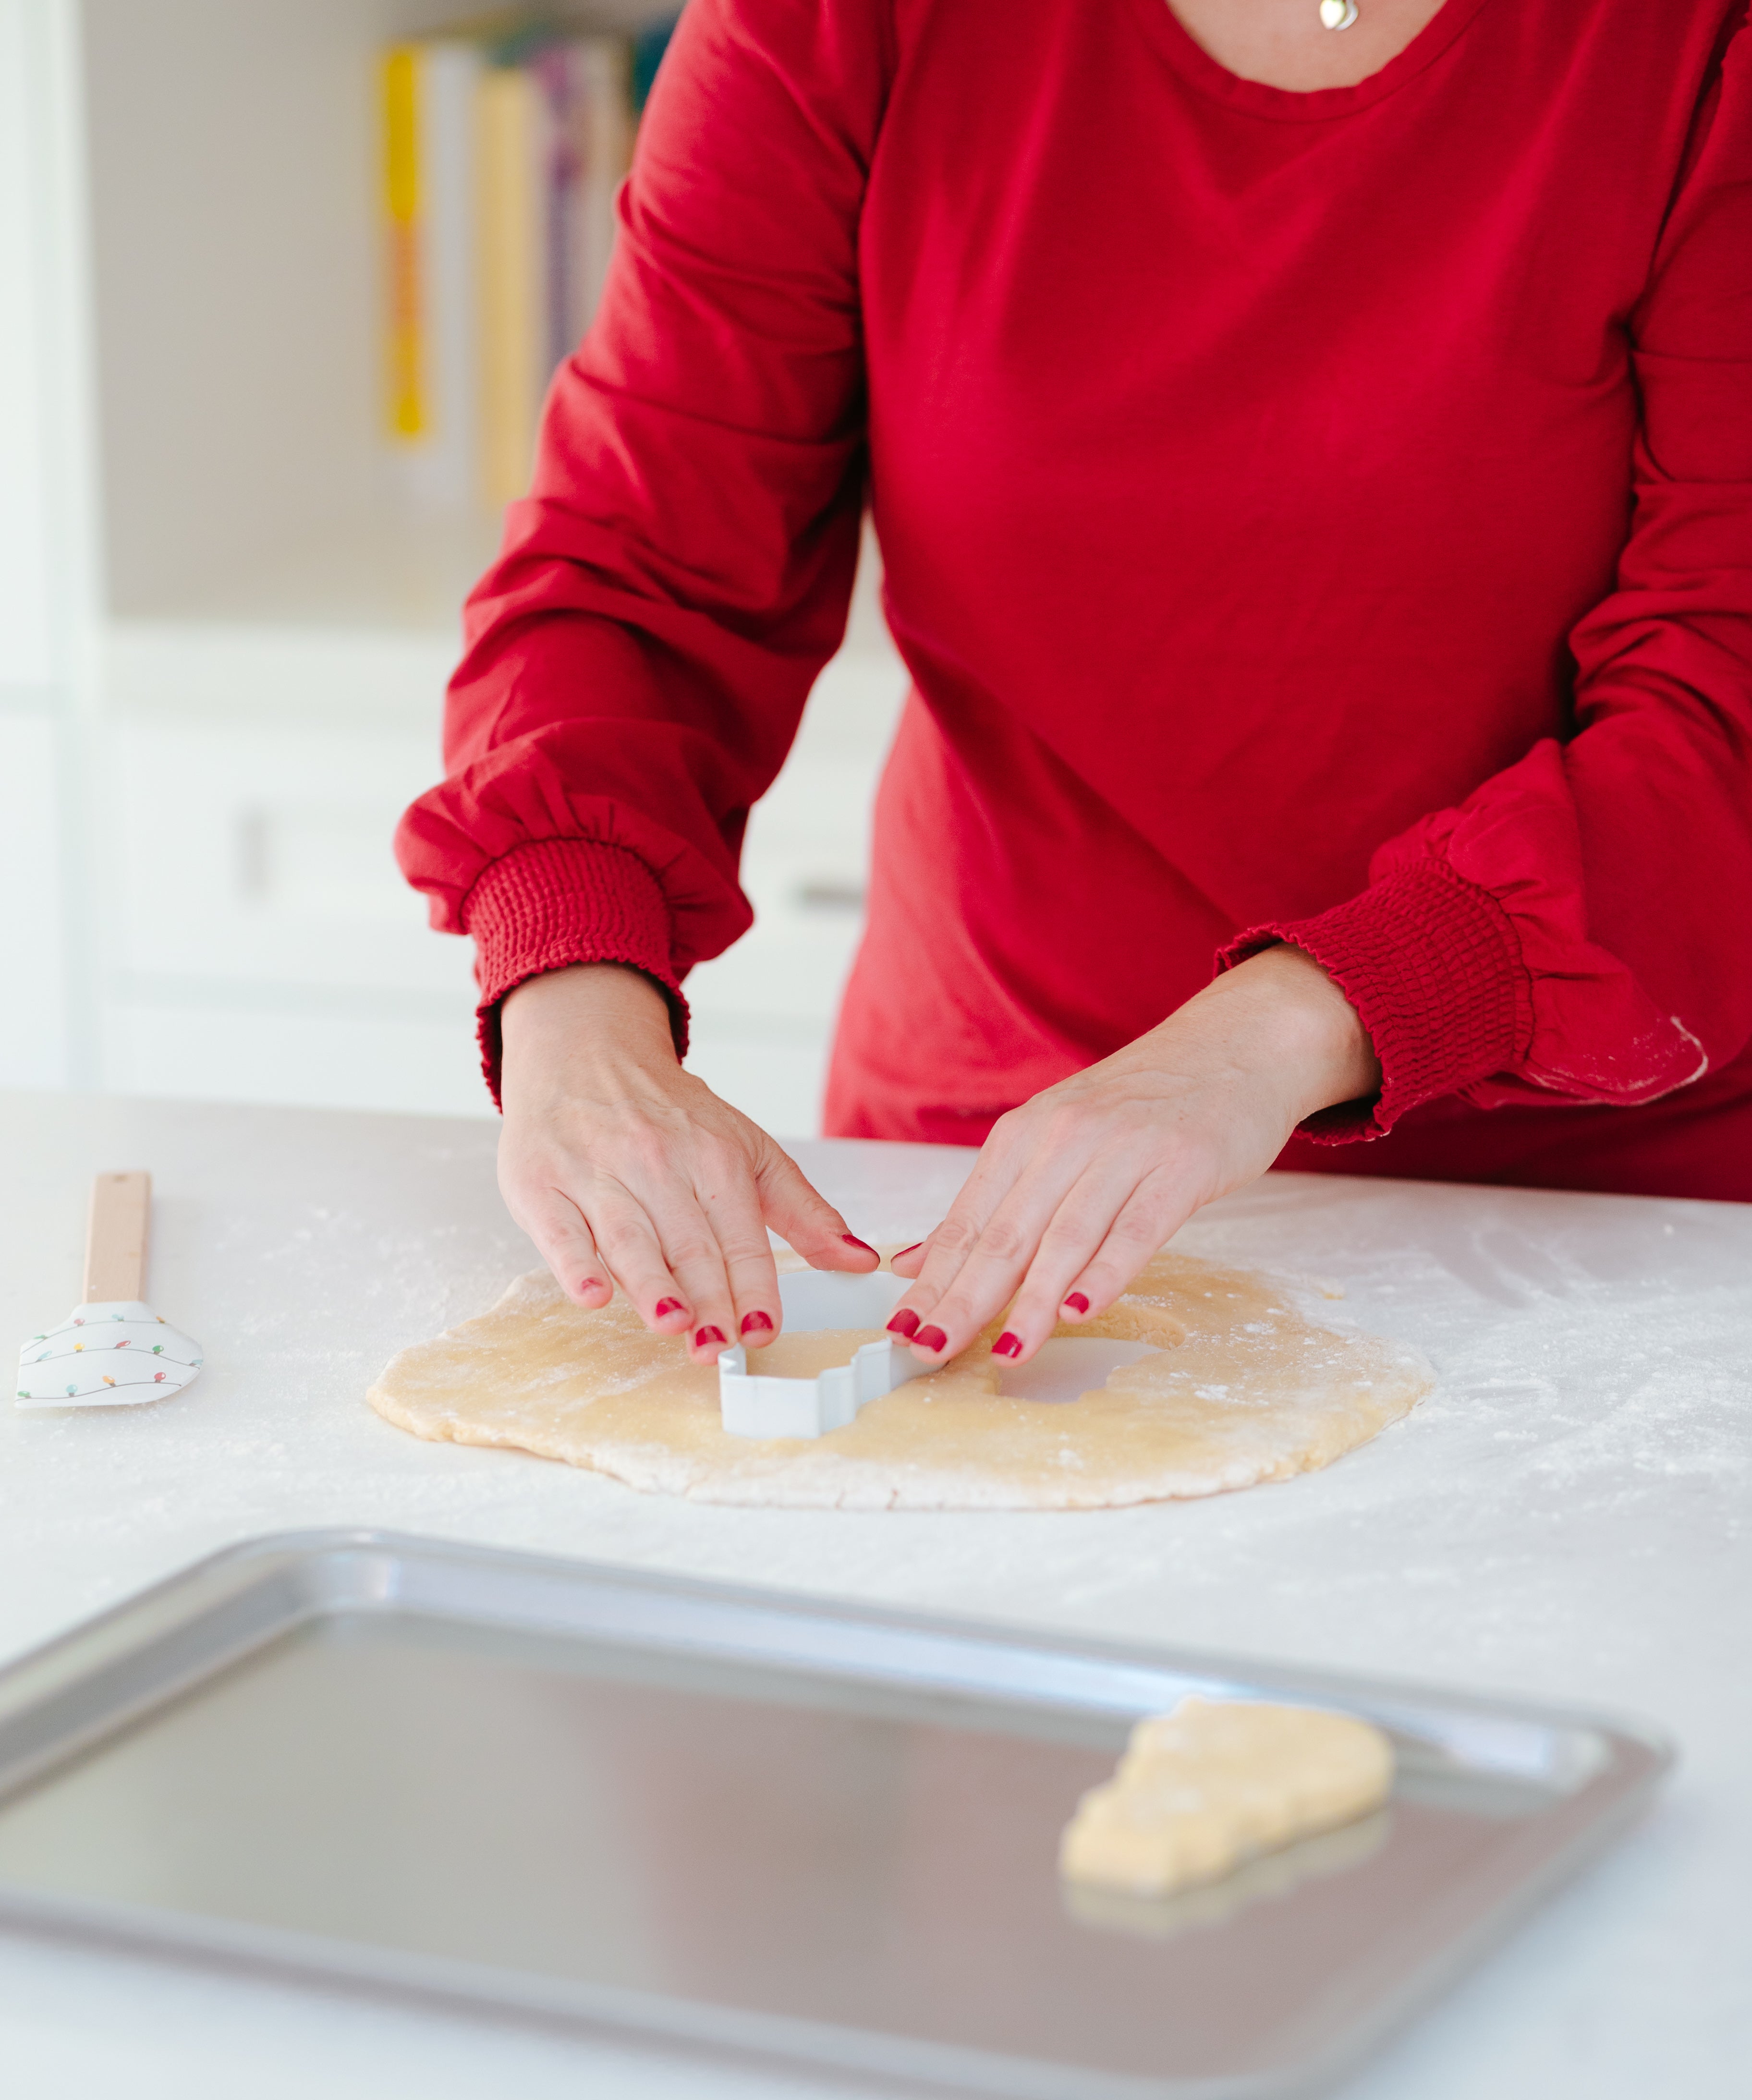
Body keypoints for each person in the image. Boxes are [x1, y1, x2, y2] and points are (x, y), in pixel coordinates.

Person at [397, 0, 1752, 1374]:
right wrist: (571, 993)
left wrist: (1288, 1029)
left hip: (1613, 1197)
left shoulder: (1697, 49)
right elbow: (643, 565)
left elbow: (1726, 710)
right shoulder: (833, 24)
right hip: (978, 1167)